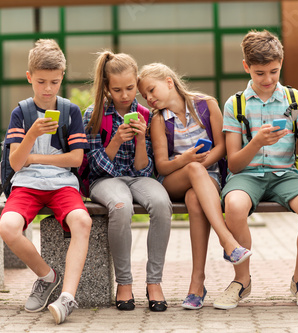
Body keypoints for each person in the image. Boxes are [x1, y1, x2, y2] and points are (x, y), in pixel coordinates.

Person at [215, 30, 298, 309]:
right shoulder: (235, 104)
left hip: (286, 175)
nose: (267, 80)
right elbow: (233, 163)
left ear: (282, 63)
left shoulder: (296, 100)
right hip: (246, 176)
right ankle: (242, 281)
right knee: (233, 206)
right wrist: (255, 143)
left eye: (274, 71)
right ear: (246, 67)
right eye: (259, 73)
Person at [138, 63, 252, 310]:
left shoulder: (207, 104)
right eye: (144, 95)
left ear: (169, 82)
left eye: (151, 90)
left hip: (208, 177)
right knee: (192, 171)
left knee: (194, 201)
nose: (148, 98)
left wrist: (202, 162)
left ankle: (196, 284)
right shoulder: (158, 121)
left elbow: (222, 147)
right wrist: (187, 160)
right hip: (174, 179)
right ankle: (227, 241)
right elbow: (162, 166)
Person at [0, 39, 92, 324]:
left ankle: (67, 297)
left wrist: (36, 159)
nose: (48, 88)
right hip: (26, 185)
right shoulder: (21, 113)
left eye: (54, 81)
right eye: (41, 81)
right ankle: (46, 275)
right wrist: (31, 135)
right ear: (30, 78)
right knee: (8, 227)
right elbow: (16, 163)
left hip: (63, 185)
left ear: (62, 76)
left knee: (82, 222)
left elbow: (76, 160)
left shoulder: (70, 111)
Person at [83, 51, 172, 312]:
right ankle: (124, 283)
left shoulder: (147, 114)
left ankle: (154, 282)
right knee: (121, 207)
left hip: (137, 176)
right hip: (106, 179)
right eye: (117, 89)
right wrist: (116, 140)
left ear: (137, 84)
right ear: (108, 88)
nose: (125, 95)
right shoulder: (94, 114)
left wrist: (139, 139)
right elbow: (94, 167)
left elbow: (145, 169)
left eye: (131, 88)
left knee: (160, 203)